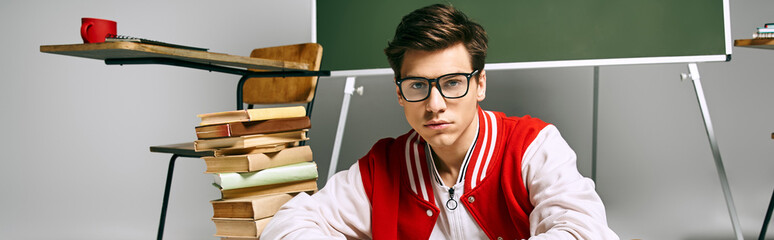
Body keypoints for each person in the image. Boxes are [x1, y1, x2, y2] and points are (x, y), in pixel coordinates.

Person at [262, 4, 618, 239]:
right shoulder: (383, 167)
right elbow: (289, 224)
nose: (434, 105)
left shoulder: (532, 146)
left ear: (479, 84)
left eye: (451, 84)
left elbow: (583, 230)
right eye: (417, 85)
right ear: (399, 93)